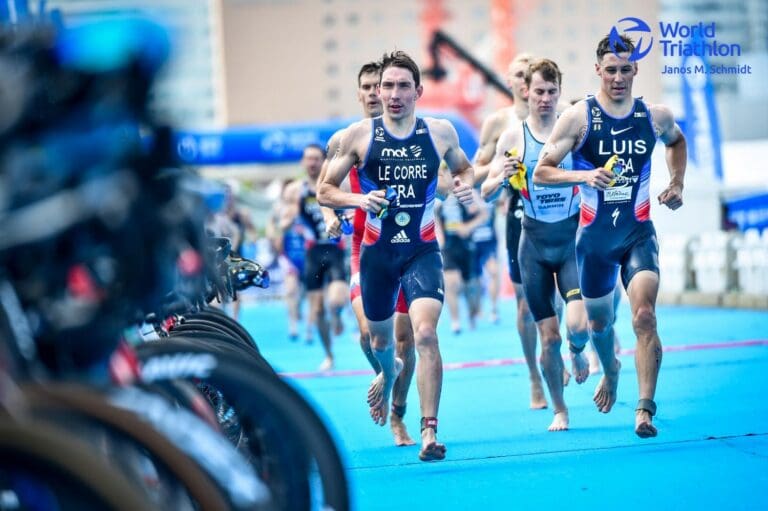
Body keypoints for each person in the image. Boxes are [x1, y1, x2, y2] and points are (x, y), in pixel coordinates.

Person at [319, 50, 474, 461]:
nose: (391, 93)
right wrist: (355, 200)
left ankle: (428, 431)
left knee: (422, 334)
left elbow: (465, 168)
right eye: (386, 86)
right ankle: (388, 375)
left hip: (422, 250)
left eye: (402, 85)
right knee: (377, 339)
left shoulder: (440, 132)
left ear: (418, 91)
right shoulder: (355, 136)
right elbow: (324, 190)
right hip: (373, 253)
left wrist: (464, 185)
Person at [534, 34, 687, 438]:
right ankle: (612, 370)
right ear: (598, 70)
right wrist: (584, 174)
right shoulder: (578, 118)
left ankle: (644, 409)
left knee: (644, 315)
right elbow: (542, 171)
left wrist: (677, 183)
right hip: (594, 244)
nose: (618, 78)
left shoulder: (654, 116)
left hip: (638, 234)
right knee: (598, 325)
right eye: (611, 70)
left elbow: (676, 142)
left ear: (635, 69)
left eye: (625, 69)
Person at [482, 58, 591, 431]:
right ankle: (560, 409)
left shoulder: (574, 126)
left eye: (551, 92)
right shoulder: (513, 136)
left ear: (560, 92)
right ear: (526, 92)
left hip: (569, 240)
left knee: (577, 326)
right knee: (549, 335)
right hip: (532, 244)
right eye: (538, 92)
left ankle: (577, 353)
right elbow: (484, 191)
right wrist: (500, 179)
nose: (545, 99)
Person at [319, 61, 416, 446]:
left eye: (382, 85)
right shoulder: (346, 138)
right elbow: (325, 188)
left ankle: (398, 413)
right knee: (368, 334)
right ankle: (384, 372)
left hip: (410, 245)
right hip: (366, 245)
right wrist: (331, 214)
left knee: (405, 339)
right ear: (359, 93)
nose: (377, 92)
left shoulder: (411, 133)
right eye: (369, 86)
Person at [474, 53, 565, 409]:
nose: (527, 81)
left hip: (560, 213)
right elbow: (473, 172)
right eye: (519, 74)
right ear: (513, 83)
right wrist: (501, 170)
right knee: (527, 302)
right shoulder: (498, 123)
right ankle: (535, 375)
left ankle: (556, 353)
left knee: (563, 292)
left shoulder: (560, 114)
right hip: (518, 214)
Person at [283, 144, 349, 371]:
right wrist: (288, 221)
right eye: (308, 159)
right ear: (303, 162)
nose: (312, 163)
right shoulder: (294, 190)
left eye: (316, 159)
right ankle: (329, 355)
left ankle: (338, 316)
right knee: (318, 310)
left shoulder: (338, 185)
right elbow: (284, 220)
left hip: (336, 250)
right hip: (312, 252)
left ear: (325, 161)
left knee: (336, 301)